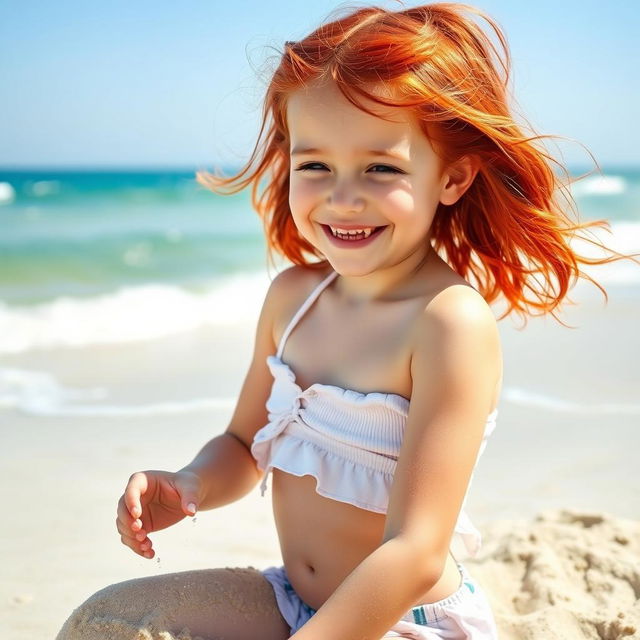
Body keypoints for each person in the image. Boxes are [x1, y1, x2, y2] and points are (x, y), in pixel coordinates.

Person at [57, 3, 634, 639]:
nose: (341, 195)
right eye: (315, 165)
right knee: (106, 621)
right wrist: (190, 481)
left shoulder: (447, 323)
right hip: (292, 600)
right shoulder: (292, 299)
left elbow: (415, 551)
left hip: (400, 619)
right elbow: (245, 446)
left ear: (453, 176)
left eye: (381, 167)